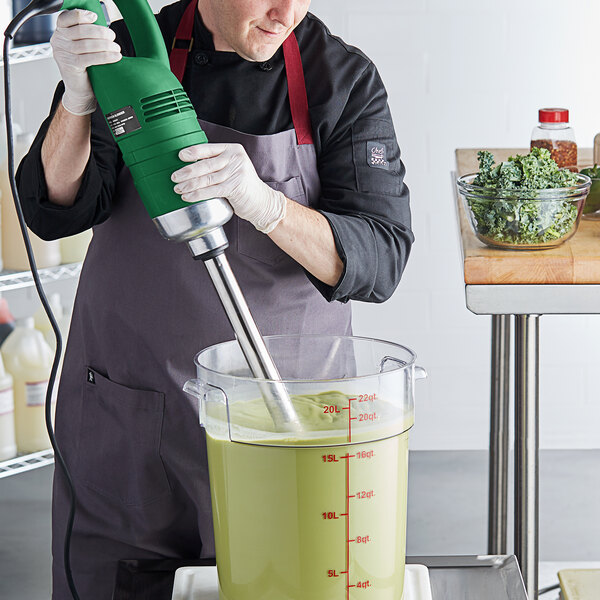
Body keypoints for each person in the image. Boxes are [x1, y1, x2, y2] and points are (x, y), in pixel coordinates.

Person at [17, 0, 413, 598]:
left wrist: (266, 205)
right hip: (128, 410)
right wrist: (76, 102)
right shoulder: (123, 52)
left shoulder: (340, 78)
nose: (285, 12)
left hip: (276, 418)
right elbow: (55, 209)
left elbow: (380, 260)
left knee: (274, 583)